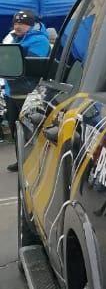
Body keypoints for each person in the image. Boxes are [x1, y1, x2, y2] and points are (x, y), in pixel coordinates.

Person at [3, 9, 51, 170]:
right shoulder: (12, 38)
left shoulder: (39, 41)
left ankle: (36, 164)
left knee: (31, 130)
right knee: (15, 130)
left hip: (29, 94)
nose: (18, 26)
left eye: (22, 23)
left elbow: (33, 66)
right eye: (16, 22)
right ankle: (21, 161)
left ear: (30, 25)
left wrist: (12, 61)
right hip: (11, 93)